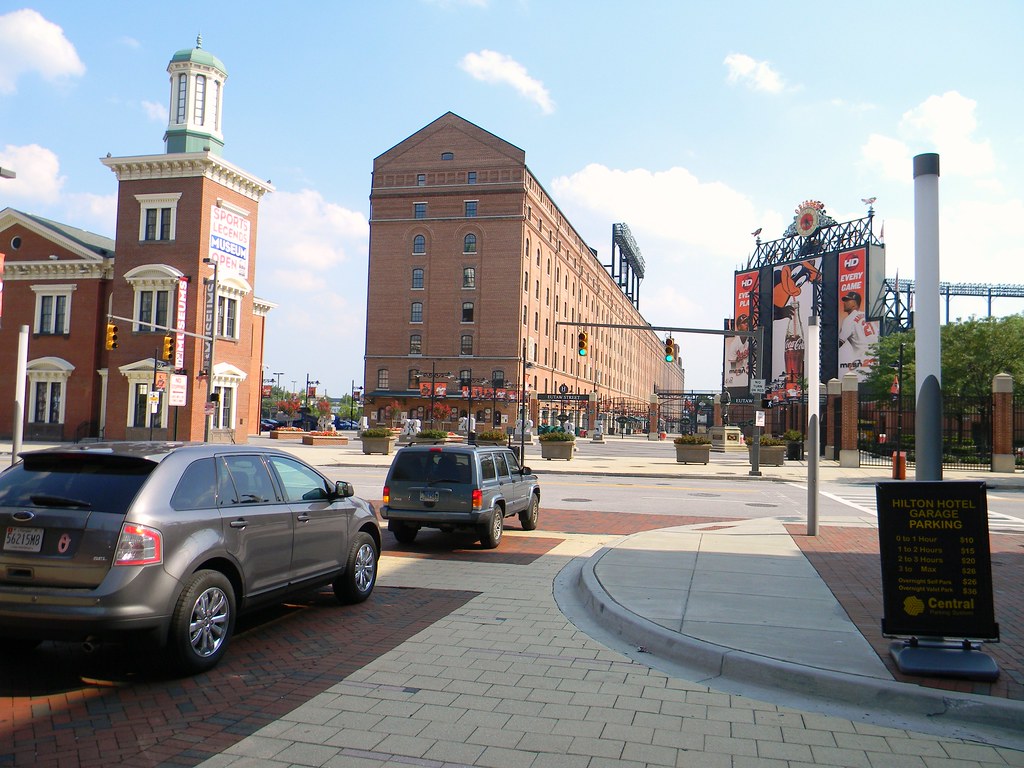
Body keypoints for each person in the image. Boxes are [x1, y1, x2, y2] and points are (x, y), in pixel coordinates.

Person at [838, 290, 877, 370]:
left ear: (855, 303)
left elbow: (839, 342)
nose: (845, 302)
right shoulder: (867, 315)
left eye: (848, 300)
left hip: (863, 360)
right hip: (876, 357)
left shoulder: (849, 319)